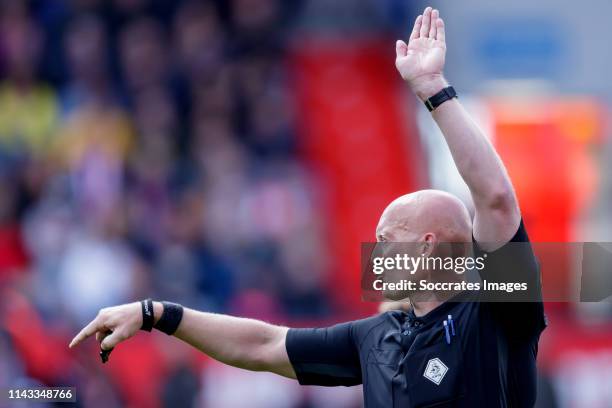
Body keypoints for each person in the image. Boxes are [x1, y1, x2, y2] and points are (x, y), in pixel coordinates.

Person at [70, 7, 546, 407]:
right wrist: (157, 313)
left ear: (427, 246)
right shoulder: (376, 337)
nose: (375, 252)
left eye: (387, 237)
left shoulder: (496, 309)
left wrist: (433, 91)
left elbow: (496, 198)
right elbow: (263, 345)